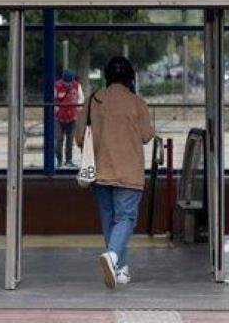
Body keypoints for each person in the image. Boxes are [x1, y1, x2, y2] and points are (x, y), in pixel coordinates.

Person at [75, 56, 154, 289]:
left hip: (100, 171)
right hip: (129, 172)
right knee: (126, 218)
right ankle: (112, 257)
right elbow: (146, 135)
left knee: (110, 221)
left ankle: (120, 269)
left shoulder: (93, 100)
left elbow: (79, 137)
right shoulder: (137, 102)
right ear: (131, 78)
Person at [54, 69, 82, 167]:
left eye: (70, 82)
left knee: (70, 141)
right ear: (63, 80)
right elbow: (53, 99)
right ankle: (59, 160)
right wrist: (56, 109)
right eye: (66, 82)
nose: (68, 84)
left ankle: (69, 160)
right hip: (59, 118)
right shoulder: (56, 86)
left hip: (72, 118)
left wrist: (78, 110)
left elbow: (80, 99)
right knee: (58, 140)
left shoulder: (77, 85)